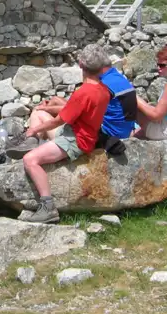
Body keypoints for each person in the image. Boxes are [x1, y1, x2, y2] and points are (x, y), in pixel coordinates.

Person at [14, 44, 112, 224]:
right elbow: (73, 112)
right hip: (81, 134)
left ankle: (48, 207)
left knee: (30, 160)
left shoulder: (83, 93)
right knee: (40, 114)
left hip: (75, 140)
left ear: (81, 65)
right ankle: (32, 143)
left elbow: (59, 120)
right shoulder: (103, 89)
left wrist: (35, 129)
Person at [18, 57, 136, 153]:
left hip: (104, 132)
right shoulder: (117, 78)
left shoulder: (102, 85)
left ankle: (33, 140)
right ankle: (39, 138)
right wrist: (50, 106)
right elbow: (78, 106)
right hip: (120, 128)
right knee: (55, 99)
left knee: (39, 113)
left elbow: (76, 110)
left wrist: (44, 109)